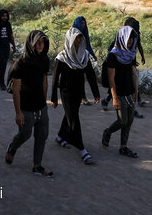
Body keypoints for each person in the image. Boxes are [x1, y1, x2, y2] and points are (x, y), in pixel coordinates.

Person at [5, 30, 53, 177]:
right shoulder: (21, 64)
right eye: (38, 42)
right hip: (25, 107)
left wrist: (44, 102)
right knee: (25, 134)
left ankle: (37, 165)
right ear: (31, 43)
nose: (40, 45)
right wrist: (18, 113)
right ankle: (13, 147)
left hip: (40, 106)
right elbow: (16, 90)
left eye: (43, 42)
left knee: (42, 135)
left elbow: (44, 81)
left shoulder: (44, 60)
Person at [51, 27, 100, 164]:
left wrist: (96, 93)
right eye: (76, 38)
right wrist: (54, 98)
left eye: (80, 38)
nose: (78, 40)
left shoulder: (84, 55)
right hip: (66, 92)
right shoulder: (62, 57)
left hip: (78, 92)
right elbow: (55, 78)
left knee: (70, 115)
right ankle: (82, 149)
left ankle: (60, 137)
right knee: (74, 119)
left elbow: (90, 75)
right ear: (70, 40)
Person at [101, 26, 139, 158]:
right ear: (122, 37)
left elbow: (134, 74)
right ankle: (108, 132)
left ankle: (123, 147)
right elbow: (111, 78)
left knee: (129, 121)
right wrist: (114, 97)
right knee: (122, 121)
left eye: (132, 39)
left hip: (129, 91)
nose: (130, 41)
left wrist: (136, 92)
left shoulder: (131, 53)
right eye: (128, 38)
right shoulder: (114, 55)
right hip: (120, 93)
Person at [102, 17, 148, 117]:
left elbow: (137, 47)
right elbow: (115, 51)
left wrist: (141, 57)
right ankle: (109, 101)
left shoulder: (135, 35)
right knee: (121, 85)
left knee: (131, 82)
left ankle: (133, 106)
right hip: (119, 63)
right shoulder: (121, 36)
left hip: (129, 62)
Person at [72, 16, 98, 106]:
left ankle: (96, 96)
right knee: (80, 79)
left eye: (84, 23)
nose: (83, 25)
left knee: (91, 75)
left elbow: (88, 45)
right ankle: (83, 98)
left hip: (85, 57)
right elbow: (68, 47)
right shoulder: (72, 33)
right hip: (76, 60)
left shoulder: (84, 32)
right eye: (81, 23)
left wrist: (93, 54)